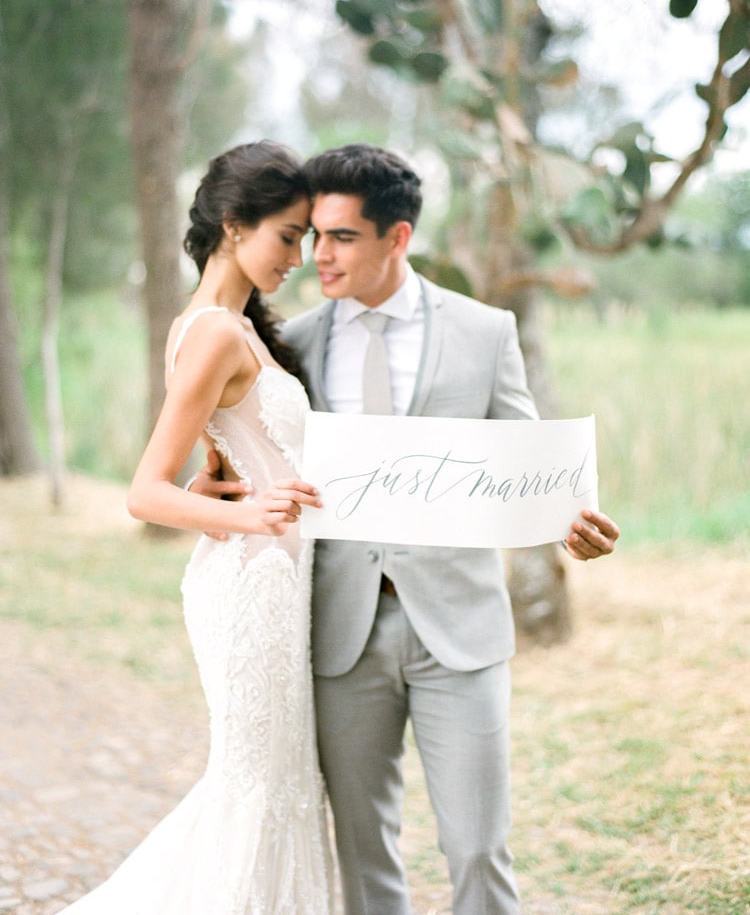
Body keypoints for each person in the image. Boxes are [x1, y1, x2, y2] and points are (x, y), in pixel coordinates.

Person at [196, 142, 620, 915]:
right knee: (364, 855)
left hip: (459, 629)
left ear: (398, 238)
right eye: (311, 236)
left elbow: (523, 466)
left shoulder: (485, 332)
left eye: (341, 237)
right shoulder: (296, 343)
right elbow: (253, 442)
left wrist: (567, 526)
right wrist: (218, 483)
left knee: (479, 849)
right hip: (339, 630)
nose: (318, 255)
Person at [56, 142, 333, 915]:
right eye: (288, 235)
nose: (300, 257)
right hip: (251, 589)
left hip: (275, 585)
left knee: (276, 787)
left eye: (308, 239)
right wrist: (240, 512)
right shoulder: (213, 330)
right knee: (256, 791)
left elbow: (205, 465)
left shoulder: (230, 329)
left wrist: (214, 489)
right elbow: (144, 493)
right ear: (233, 224)